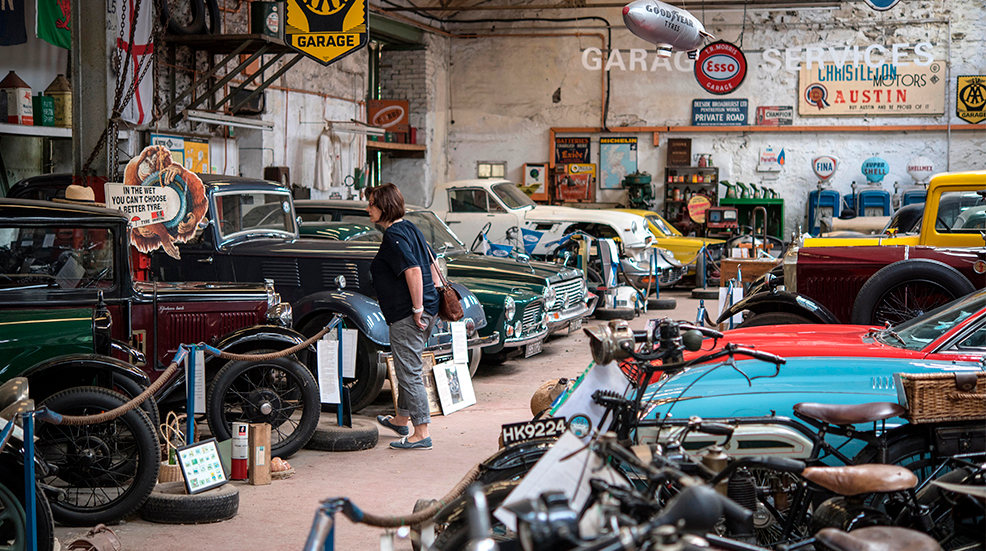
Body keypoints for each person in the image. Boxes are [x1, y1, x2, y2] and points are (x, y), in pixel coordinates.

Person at [368, 183, 443, 450]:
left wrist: (417, 308)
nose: (368, 209)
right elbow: (433, 264)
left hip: (407, 315)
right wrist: (430, 301)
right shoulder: (410, 227)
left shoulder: (393, 236)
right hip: (427, 309)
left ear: (384, 206)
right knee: (405, 366)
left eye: (372, 204)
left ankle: (421, 432)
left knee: (408, 372)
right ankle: (401, 419)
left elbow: (412, 269)